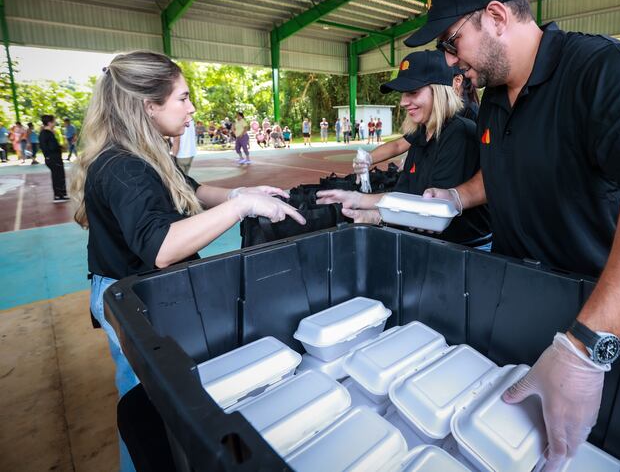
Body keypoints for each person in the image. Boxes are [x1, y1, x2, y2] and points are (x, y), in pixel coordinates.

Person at [403, 0, 620, 470]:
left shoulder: (596, 67)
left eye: (451, 42)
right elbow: (510, 167)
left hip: (595, 315)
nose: (451, 62)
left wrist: (585, 347)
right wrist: (458, 197)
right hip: (516, 302)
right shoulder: (497, 96)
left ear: (497, 17)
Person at [68, 51, 305, 472]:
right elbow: (161, 247)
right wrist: (239, 209)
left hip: (143, 292)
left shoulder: (144, 153)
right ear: (149, 106)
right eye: (183, 97)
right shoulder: (125, 167)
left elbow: (189, 189)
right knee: (148, 414)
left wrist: (240, 195)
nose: (192, 107)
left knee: (154, 403)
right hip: (130, 301)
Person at [318, 50, 490, 248]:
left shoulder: (459, 134)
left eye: (413, 92)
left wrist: (374, 215)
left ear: (439, 90)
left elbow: (430, 210)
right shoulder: (421, 133)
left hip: (468, 248)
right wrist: (356, 199)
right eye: (403, 94)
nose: (403, 102)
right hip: (434, 243)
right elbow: (405, 194)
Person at [39, 115, 68, 202]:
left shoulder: (48, 133)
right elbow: (51, 147)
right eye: (54, 121)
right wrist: (60, 147)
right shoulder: (45, 133)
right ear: (49, 123)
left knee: (60, 175)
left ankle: (61, 194)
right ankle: (58, 195)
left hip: (54, 157)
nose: (55, 123)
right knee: (57, 176)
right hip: (53, 158)